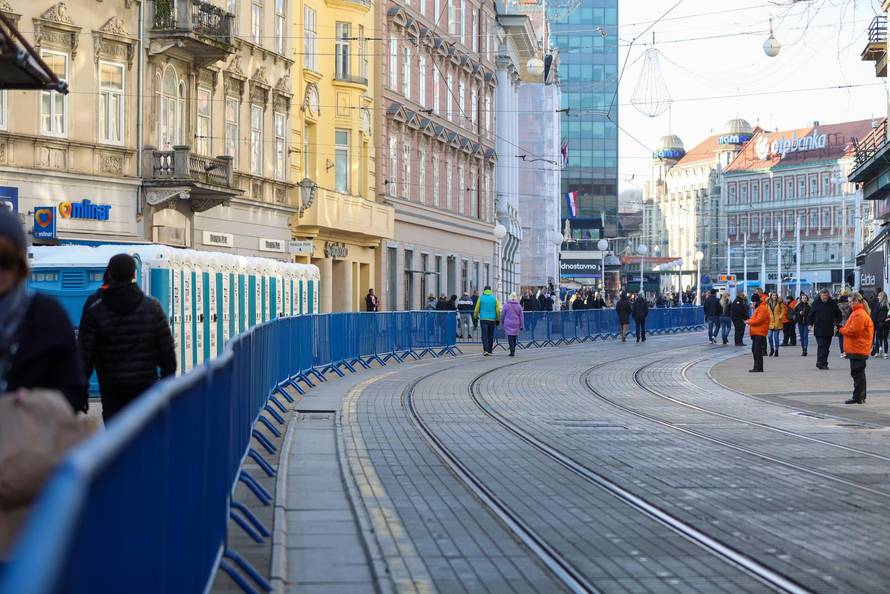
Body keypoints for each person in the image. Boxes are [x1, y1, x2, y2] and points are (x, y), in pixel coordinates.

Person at [0, 210, 87, 413]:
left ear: (20, 264)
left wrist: (39, 402)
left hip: (27, 440)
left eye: (6, 260)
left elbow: (75, 392)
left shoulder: (47, 316)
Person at [79, 254, 177, 422]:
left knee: (117, 440)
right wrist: (163, 389)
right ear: (134, 274)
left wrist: (79, 393)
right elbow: (168, 358)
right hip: (146, 391)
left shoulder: (95, 312)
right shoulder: (153, 308)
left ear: (109, 273)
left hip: (111, 392)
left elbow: (84, 358)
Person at [839, 293, 875, 404]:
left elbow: (853, 331)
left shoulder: (858, 314)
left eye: (850, 302)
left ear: (856, 301)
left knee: (857, 373)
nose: (849, 304)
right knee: (859, 373)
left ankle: (858, 396)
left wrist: (841, 330)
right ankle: (861, 396)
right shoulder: (858, 313)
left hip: (858, 347)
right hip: (858, 347)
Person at [807, 288, 842, 370]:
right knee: (821, 345)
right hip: (819, 328)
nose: (825, 297)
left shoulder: (832, 303)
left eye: (826, 295)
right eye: (823, 295)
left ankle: (824, 363)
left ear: (828, 295)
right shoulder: (816, 303)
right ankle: (819, 362)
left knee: (826, 347)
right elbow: (810, 315)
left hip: (829, 328)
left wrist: (837, 323)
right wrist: (810, 324)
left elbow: (839, 314)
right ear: (820, 295)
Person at [473, 285, 500, 356]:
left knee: (484, 335)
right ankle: (490, 350)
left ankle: (485, 350)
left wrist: (475, 317)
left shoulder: (481, 298)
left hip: (483, 319)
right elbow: (497, 310)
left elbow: (476, 309)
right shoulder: (494, 298)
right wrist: (498, 319)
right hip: (492, 319)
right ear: (490, 290)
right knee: (490, 335)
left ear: (484, 290)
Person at [746, 293, 770, 372]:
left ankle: (758, 368)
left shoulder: (761, 308)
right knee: (755, 350)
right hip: (756, 332)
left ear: (756, 301)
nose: (752, 303)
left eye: (752, 301)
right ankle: (757, 367)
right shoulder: (758, 308)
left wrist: (748, 321)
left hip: (759, 332)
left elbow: (758, 320)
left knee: (757, 350)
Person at [870, 289, 889, 358]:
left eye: (879, 296)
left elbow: (875, 314)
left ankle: (878, 352)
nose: (878, 297)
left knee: (878, 338)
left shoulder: (878, 305)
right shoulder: (888, 305)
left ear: (881, 297)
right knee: (885, 339)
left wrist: (874, 321)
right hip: (886, 324)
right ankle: (886, 354)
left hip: (879, 323)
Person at [766, 292, 785, 357]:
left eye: (775, 295)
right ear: (771, 296)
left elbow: (783, 311)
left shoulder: (779, 303)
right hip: (770, 322)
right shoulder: (768, 303)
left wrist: (780, 317)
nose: (774, 296)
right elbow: (766, 311)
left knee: (776, 337)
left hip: (777, 321)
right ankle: (772, 348)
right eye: (773, 295)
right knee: (769, 336)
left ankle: (776, 350)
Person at [837, 292, 852, 358]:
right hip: (848, 324)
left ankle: (842, 352)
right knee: (847, 339)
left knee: (840, 339)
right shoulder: (850, 306)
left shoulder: (837, 306)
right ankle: (847, 352)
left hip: (840, 324)